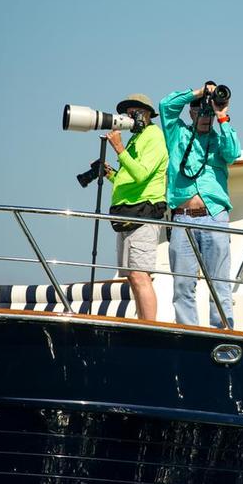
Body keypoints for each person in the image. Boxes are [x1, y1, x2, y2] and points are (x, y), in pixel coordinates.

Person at [159, 82, 241, 327]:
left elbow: (234, 153)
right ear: (191, 113)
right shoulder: (177, 135)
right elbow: (165, 105)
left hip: (214, 216)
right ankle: (188, 331)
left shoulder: (220, 139)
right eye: (201, 112)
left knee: (219, 283)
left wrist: (221, 113)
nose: (205, 117)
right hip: (183, 218)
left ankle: (223, 331)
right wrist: (199, 93)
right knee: (183, 285)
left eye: (208, 113)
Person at [101, 93, 168, 320]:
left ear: (148, 114)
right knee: (132, 276)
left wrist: (119, 149)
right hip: (129, 214)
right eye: (128, 112)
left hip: (144, 213)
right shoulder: (135, 139)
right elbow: (128, 179)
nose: (130, 115)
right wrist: (110, 174)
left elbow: (141, 175)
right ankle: (143, 322)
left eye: (135, 111)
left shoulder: (154, 136)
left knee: (140, 275)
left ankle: (150, 327)